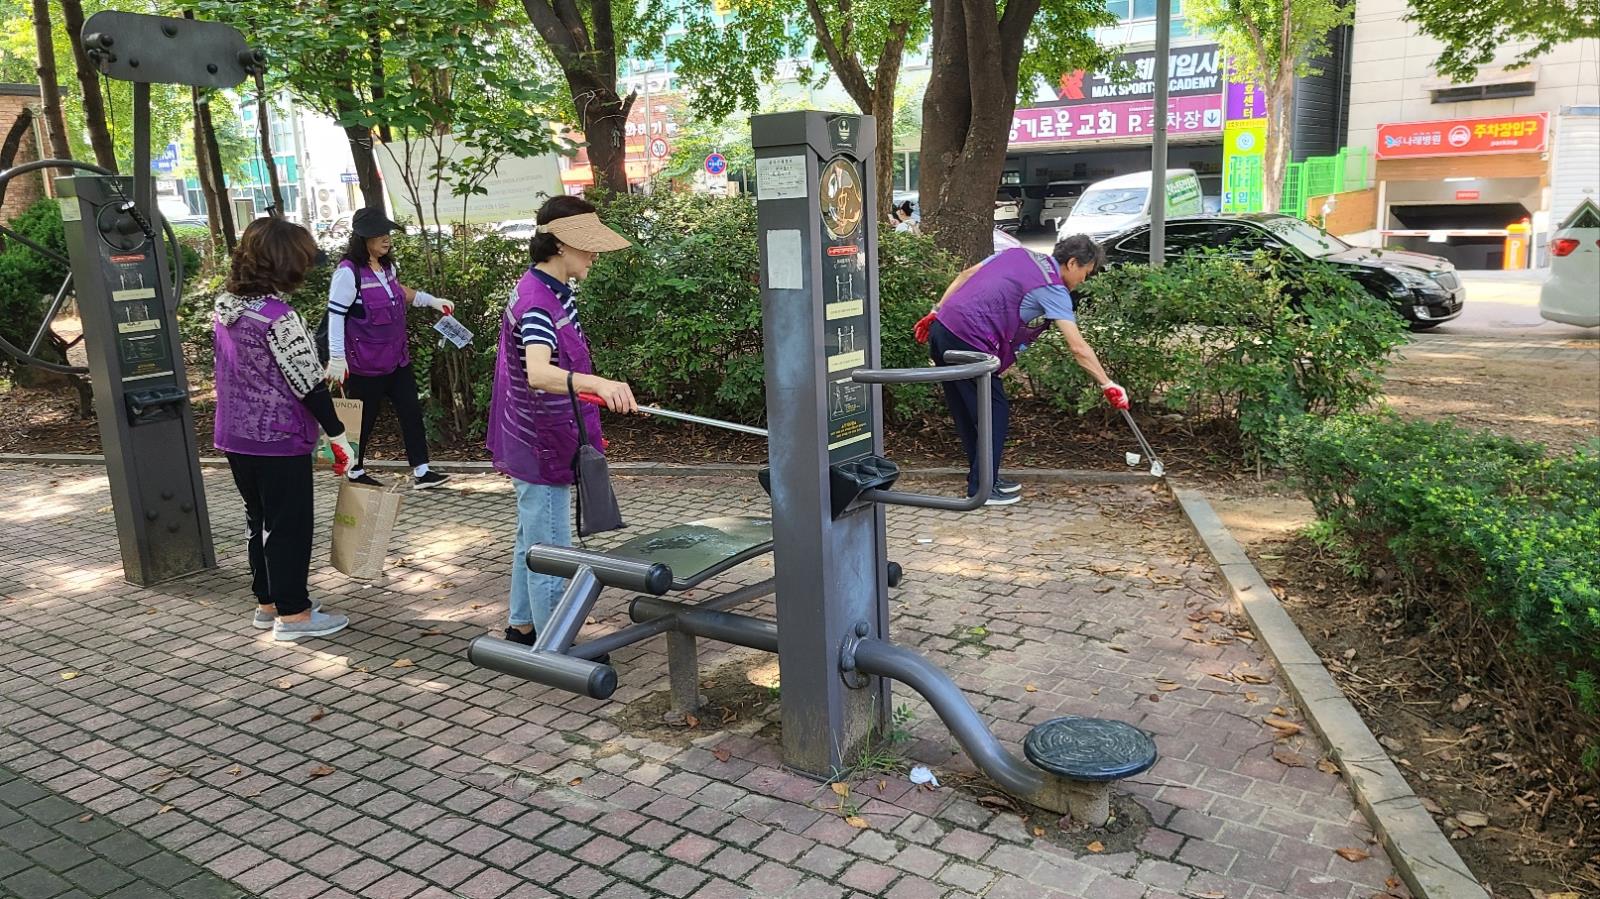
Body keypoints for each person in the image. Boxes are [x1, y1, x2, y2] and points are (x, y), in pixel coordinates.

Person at [486, 196, 638, 647]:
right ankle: (556, 643)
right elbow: (539, 372)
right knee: (551, 545)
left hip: (542, 437)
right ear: (558, 246)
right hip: (541, 443)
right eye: (586, 246)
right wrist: (600, 383)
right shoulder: (537, 302)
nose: (593, 255)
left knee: (532, 537)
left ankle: (522, 626)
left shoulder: (548, 290)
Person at [213, 217, 355, 641]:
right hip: (278, 436)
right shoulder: (280, 316)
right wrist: (337, 434)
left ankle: (268, 602)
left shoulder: (225, 306)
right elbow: (308, 382)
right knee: (290, 524)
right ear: (283, 262)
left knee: (258, 519)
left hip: (234, 434)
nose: (307, 266)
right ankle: (294, 616)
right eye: (302, 259)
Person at [914, 235, 1126, 506]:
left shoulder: (1018, 254)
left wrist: (935, 311)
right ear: (1073, 263)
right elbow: (1078, 348)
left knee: (970, 410)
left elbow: (966, 274)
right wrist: (1107, 383)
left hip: (943, 329)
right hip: (969, 342)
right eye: (1087, 272)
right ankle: (982, 489)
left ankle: (983, 480)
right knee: (994, 409)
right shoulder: (1053, 287)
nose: (1084, 280)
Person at [323, 207, 455, 489]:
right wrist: (337, 357)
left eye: (387, 233)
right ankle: (354, 470)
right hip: (365, 364)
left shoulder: (387, 267)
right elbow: (335, 315)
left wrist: (431, 301)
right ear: (363, 238)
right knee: (364, 419)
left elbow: (401, 293)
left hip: (396, 359)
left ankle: (421, 471)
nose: (386, 238)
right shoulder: (348, 274)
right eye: (379, 234)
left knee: (411, 411)